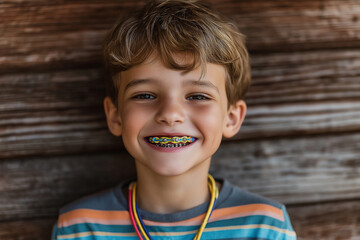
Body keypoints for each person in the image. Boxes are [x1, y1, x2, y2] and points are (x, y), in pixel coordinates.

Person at [52, 0, 296, 239]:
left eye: (198, 95)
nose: (170, 114)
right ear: (115, 116)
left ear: (231, 119)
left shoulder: (266, 227)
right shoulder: (79, 227)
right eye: (145, 95)